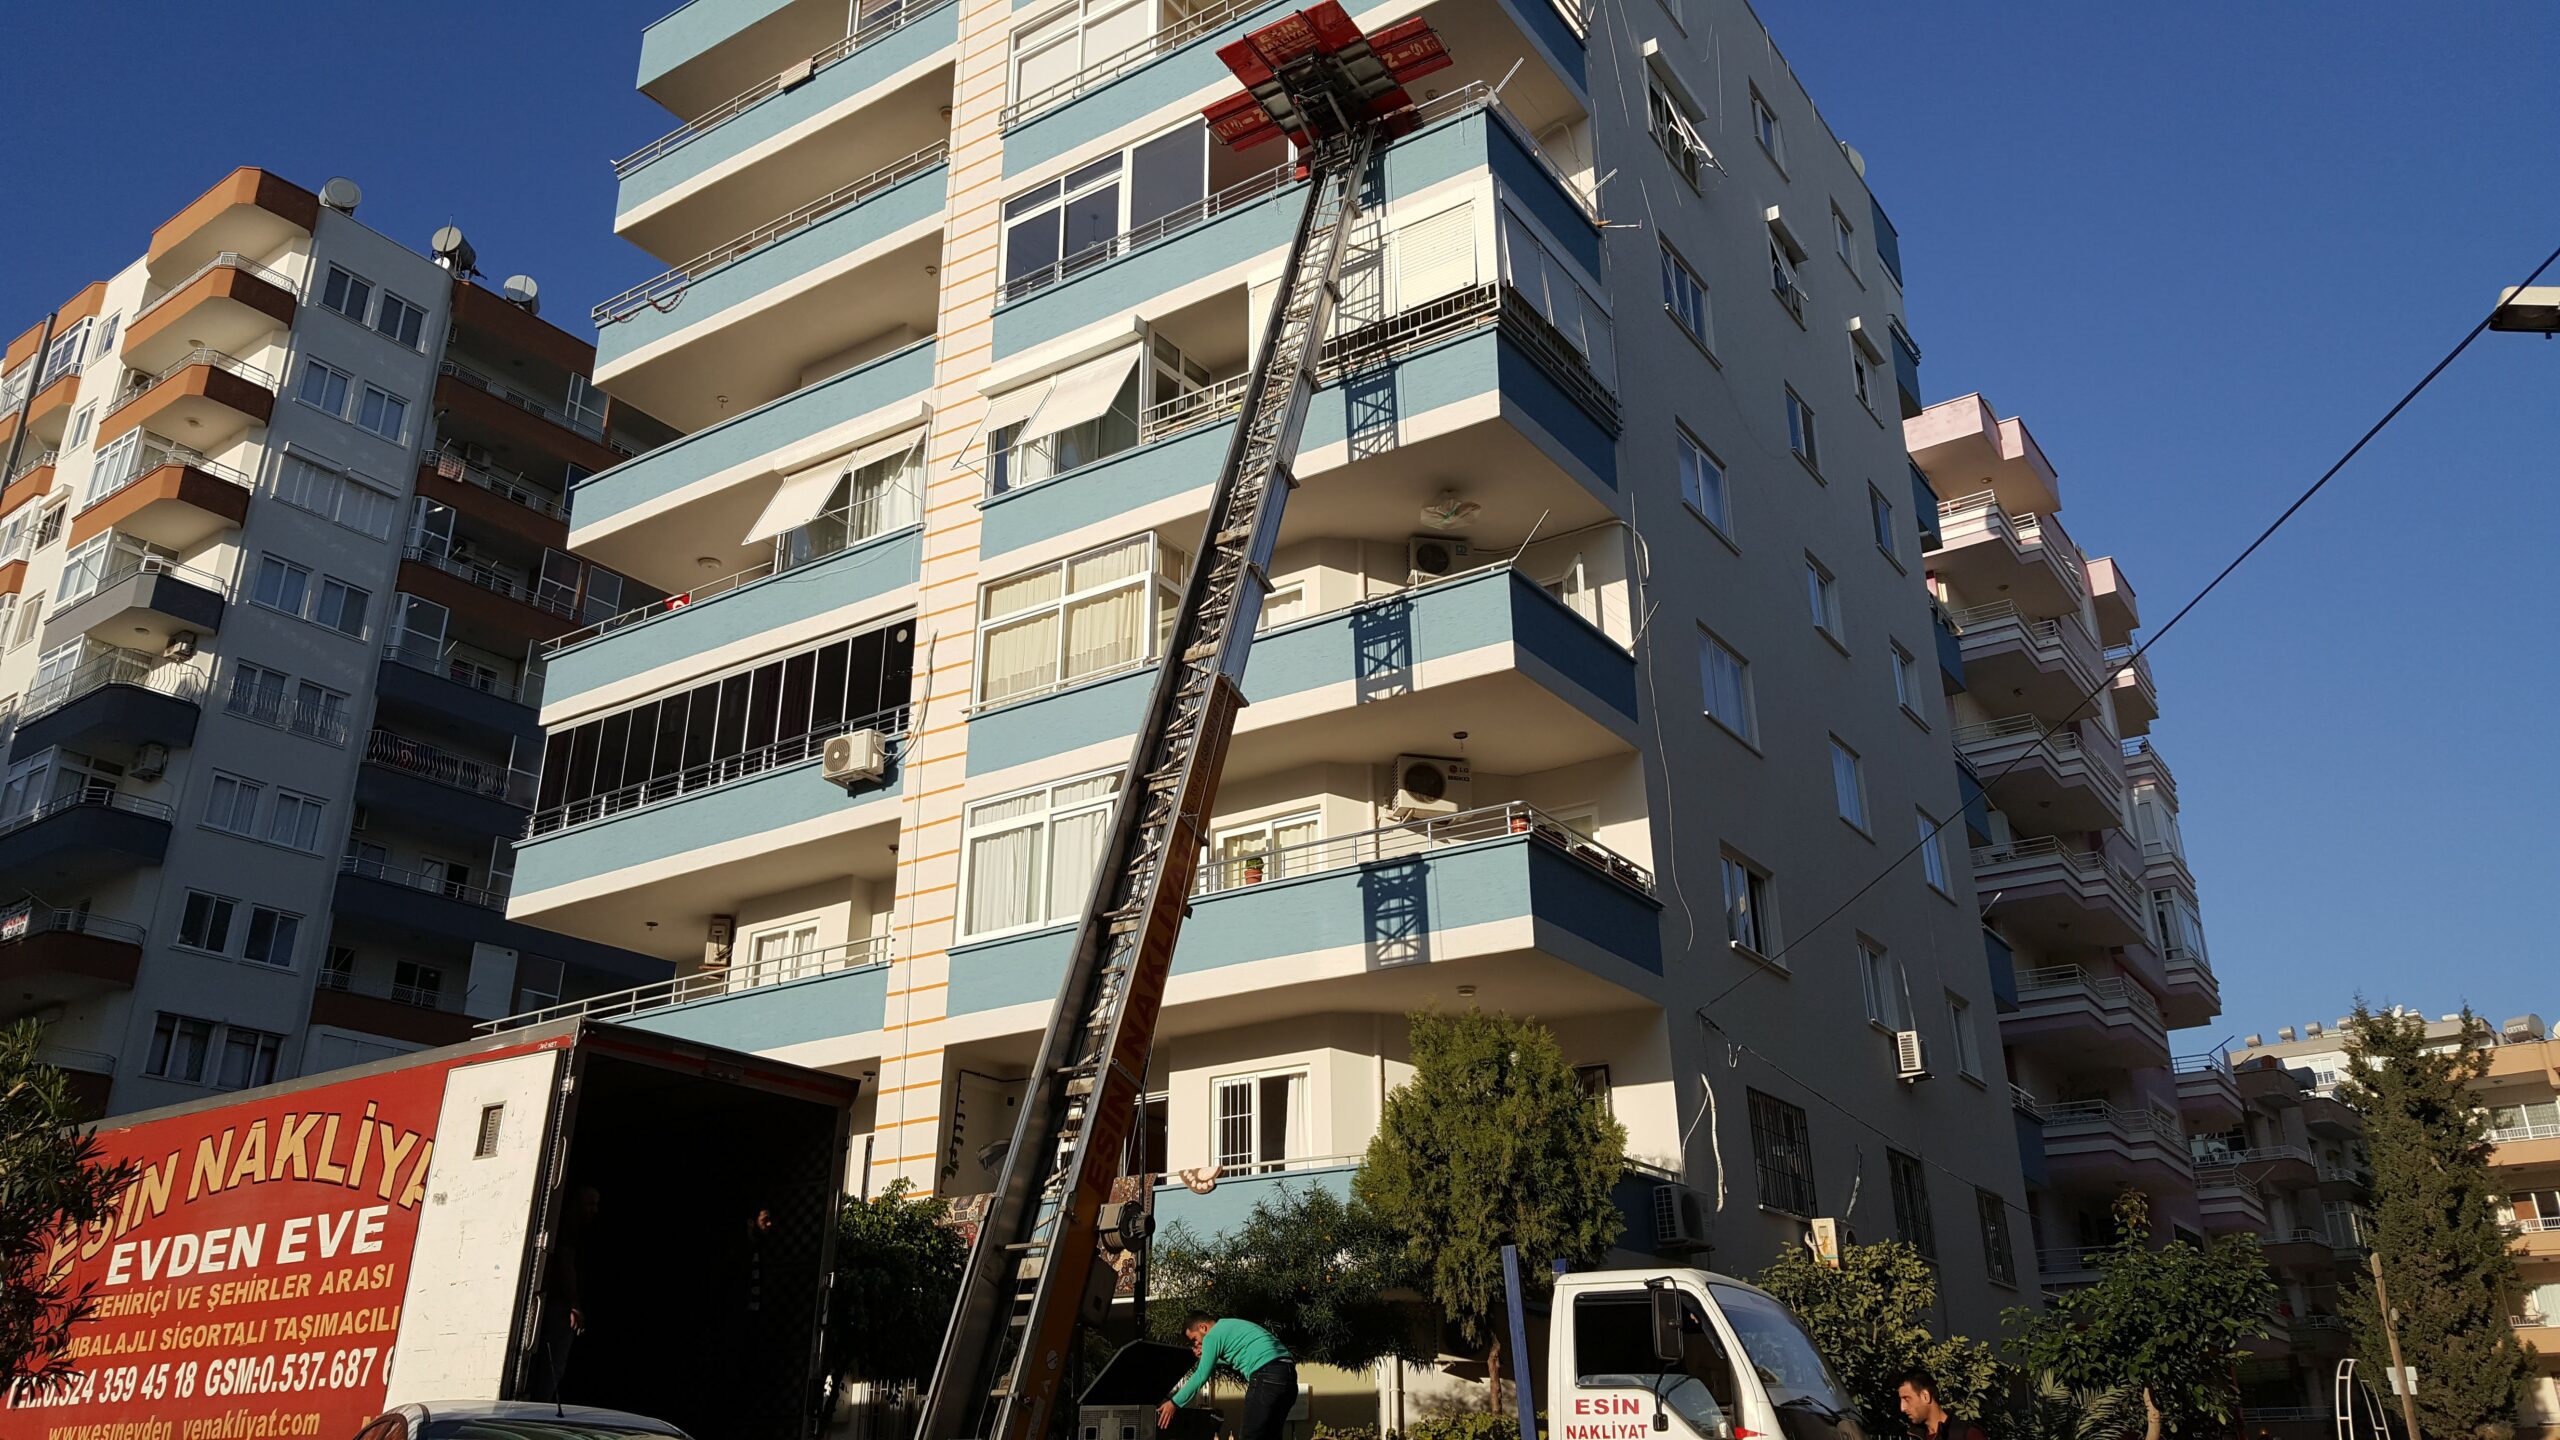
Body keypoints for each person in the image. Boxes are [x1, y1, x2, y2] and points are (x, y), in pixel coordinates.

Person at [1158, 1312, 1296, 1440]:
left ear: (1203, 1327)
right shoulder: (1229, 1325)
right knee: (1271, 1435)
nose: (1197, 1344)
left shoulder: (1212, 1336)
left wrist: (1174, 1403)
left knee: (1250, 1435)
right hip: (1287, 1375)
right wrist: (1208, 1356)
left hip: (1266, 1377)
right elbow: (1236, 1357)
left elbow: (1201, 1375)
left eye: (1195, 1339)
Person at [1894, 1369, 1987, 1440]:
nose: (1902, 1408)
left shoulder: (1967, 1435)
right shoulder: (1912, 1436)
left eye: (1907, 1399)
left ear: (1925, 1396)